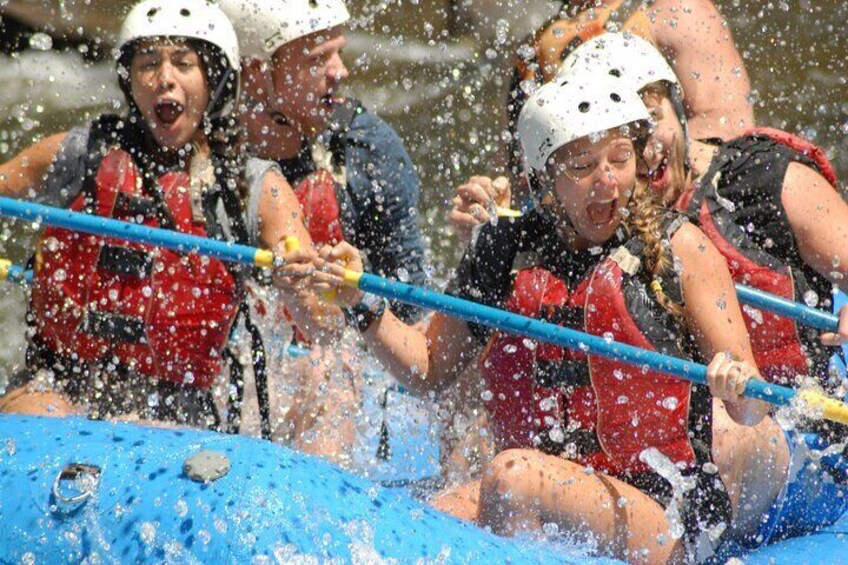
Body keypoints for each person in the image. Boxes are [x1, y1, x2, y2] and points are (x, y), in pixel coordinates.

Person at [306, 78, 779, 563]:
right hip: (544, 487)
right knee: (416, 527)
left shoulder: (684, 249)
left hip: (666, 512)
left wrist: (737, 388)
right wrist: (359, 301)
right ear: (542, 179)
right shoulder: (501, 250)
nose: (607, 180)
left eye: (619, 158)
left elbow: (751, 405)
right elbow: (429, 369)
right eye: (582, 166)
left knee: (513, 478)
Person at [560, 32, 848, 548]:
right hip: (681, 447)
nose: (646, 150)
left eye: (652, 122)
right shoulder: (608, 215)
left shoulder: (758, 179)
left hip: (810, 440)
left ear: (677, 106)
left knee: (719, 427)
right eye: (626, 139)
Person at [0, 0, 317, 429]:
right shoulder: (79, 153)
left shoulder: (254, 186)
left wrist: (299, 282)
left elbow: (322, 320)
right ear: (130, 81)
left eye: (183, 64)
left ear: (215, 81)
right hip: (58, 382)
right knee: (39, 417)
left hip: (177, 406)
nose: (164, 78)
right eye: (148, 63)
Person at [215, 0, 433, 467]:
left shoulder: (369, 151)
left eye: (338, 52)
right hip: (234, 364)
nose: (341, 71)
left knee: (326, 367)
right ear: (256, 73)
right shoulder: (206, 149)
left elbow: (413, 306)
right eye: (317, 59)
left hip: (341, 361)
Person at [452, 0, 755, 241]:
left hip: (683, 216)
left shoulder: (676, 12)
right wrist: (495, 217)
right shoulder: (535, 53)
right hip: (594, 221)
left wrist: (633, 173)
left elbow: (728, 130)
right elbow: (520, 175)